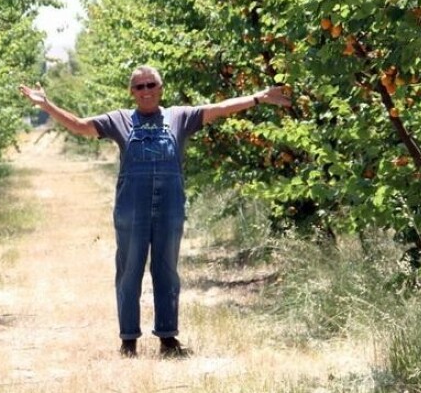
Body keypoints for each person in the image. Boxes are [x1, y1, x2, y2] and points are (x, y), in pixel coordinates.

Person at [19, 66, 291, 358]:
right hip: (131, 210)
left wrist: (259, 97)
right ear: (132, 92)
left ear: (161, 88)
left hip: (169, 207)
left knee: (167, 272)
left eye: (151, 85)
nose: (146, 91)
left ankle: (168, 338)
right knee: (129, 272)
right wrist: (47, 106)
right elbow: (81, 126)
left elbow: (220, 108)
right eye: (139, 86)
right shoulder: (119, 120)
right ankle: (128, 341)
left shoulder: (179, 117)